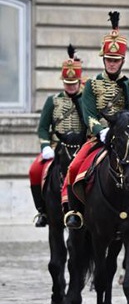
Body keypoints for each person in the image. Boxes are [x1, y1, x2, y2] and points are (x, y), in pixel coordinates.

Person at [62, 11, 129, 230]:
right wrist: (100, 130)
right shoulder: (91, 85)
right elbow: (88, 113)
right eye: (108, 59)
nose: (112, 63)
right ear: (103, 59)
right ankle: (75, 212)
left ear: (122, 60)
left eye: (116, 60)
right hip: (100, 139)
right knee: (73, 168)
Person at [29, 45, 87, 227]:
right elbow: (43, 127)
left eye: (73, 83)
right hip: (57, 148)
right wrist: (45, 146)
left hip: (82, 148)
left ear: (79, 82)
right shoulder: (52, 101)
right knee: (34, 171)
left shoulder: (86, 100)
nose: (70, 86)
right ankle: (42, 211)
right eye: (67, 83)